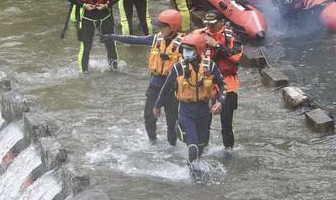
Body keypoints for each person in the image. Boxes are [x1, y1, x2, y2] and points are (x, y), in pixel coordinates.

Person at [102, 9, 184, 145]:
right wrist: (112, 36)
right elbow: (134, 40)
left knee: (172, 121)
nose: (160, 29)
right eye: (160, 26)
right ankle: (153, 142)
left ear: (173, 27)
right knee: (149, 117)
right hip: (156, 85)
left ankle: (172, 147)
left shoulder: (184, 44)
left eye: (164, 26)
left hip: (172, 89)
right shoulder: (156, 39)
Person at [154, 33, 226, 172]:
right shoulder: (178, 67)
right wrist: (157, 106)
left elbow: (223, 85)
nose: (186, 52)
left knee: (201, 147)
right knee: (192, 149)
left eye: (190, 49)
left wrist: (220, 102)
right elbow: (166, 88)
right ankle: (192, 178)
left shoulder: (210, 66)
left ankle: (196, 168)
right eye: (185, 49)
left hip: (205, 112)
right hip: (186, 112)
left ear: (198, 50)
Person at [64, 0, 122, 73]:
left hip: (105, 15)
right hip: (87, 16)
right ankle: (83, 74)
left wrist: (107, 5)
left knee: (111, 45)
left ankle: (115, 71)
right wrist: (83, 5)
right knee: (86, 47)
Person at [192, 11, 242, 149]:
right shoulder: (201, 35)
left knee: (226, 125)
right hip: (208, 82)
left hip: (228, 81)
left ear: (221, 23)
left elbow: (236, 56)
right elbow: (188, 43)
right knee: (203, 122)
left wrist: (216, 45)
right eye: (207, 24)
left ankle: (229, 151)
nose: (210, 27)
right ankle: (202, 150)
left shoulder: (231, 36)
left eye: (213, 24)